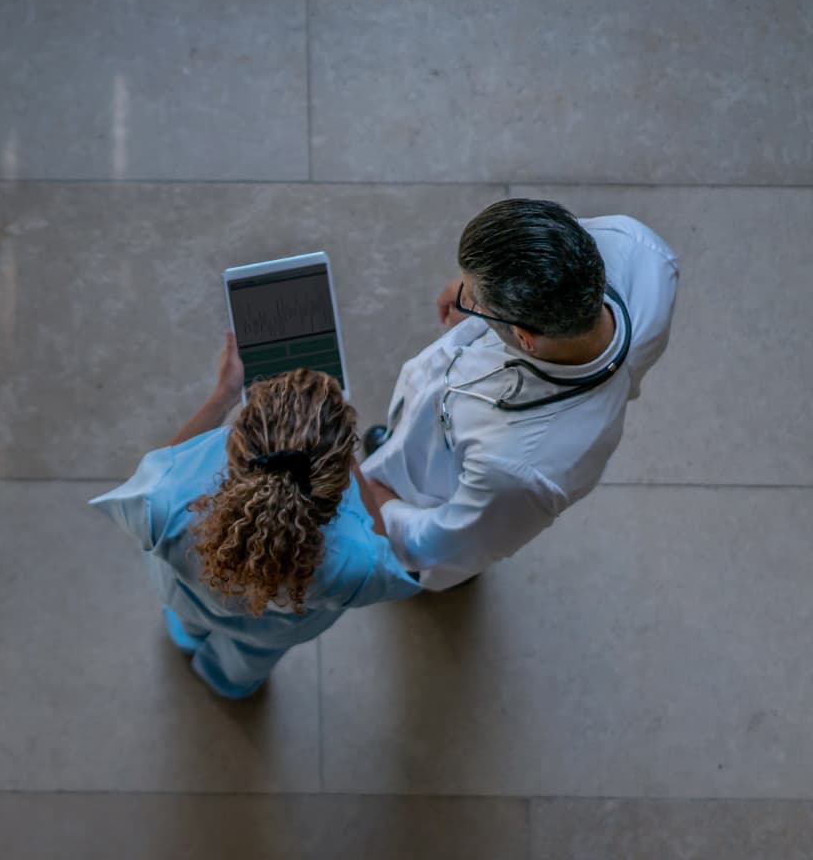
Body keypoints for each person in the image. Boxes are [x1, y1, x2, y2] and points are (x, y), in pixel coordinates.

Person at [359, 198, 680, 590]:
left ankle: (391, 473)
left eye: (473, 298)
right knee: (405, 436)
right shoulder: (638, 250)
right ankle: (394, 447)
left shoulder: (516, 471)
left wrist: (379, 501)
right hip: (444, 421)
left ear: (525, 338)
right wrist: (474, 285)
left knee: (411, 500)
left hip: (435, 493)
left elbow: (444, 543)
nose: (462, 295)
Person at [91, 336, 418, 699]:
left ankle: (186, 638)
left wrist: (224, 394)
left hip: (189, 598)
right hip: (274, 631)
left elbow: (156, 473)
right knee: (249, 659)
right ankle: (228, 682)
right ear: (334, 480)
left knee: (187, 621)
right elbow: (382, 548)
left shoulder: (168, 501)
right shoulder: (356, 563)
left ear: (235, 443)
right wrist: (348, 459)